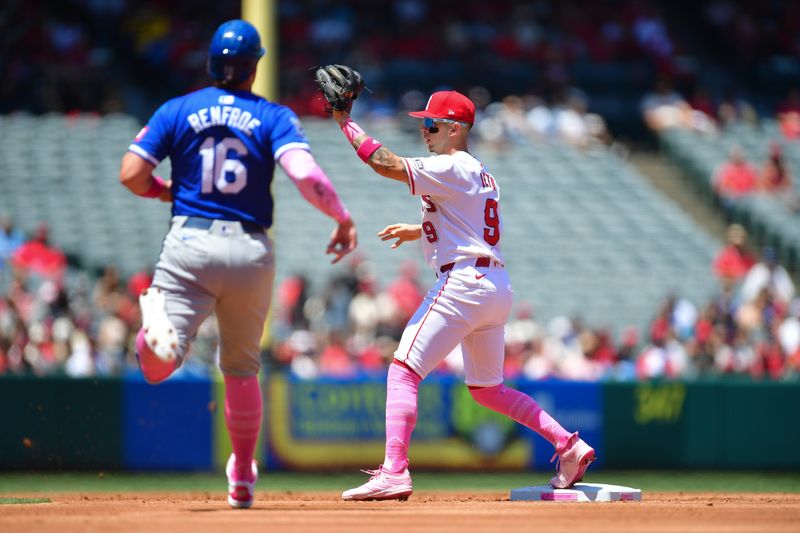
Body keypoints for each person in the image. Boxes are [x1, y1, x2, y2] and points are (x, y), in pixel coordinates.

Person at [118, 20, 357, 509]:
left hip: (190, 242)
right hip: (249, 249)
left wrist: (165, 190)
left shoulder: (177, 109)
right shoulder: (273, 116)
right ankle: (244, 474)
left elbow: (131, 174)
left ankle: (159, 331)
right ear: (255, 67)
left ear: (210, 62)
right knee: (243, 369)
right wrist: (341, 216)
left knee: (156, 367)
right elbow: (304, 175)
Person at [326, 84, 594, 501]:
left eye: (431, 124)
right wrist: (420, 230)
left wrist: (345, 121)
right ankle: (568, 445)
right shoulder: (480, 172)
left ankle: (394, 471)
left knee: (402, 370)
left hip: (463, 283)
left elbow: (383, 163)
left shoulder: (452, 166)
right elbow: (470, 225)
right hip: (494, 286)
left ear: (454, 128)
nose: (425, 132)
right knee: (488, 390)